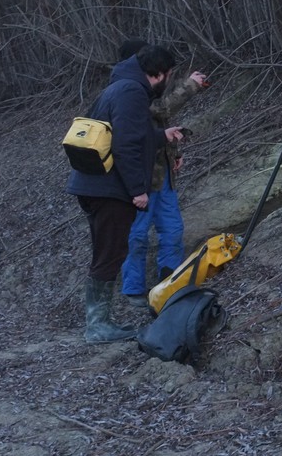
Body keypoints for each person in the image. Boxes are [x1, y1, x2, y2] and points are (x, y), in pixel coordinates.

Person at [66, 45, 184, 343]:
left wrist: (160, 136)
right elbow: (125, 146)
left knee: (107, 251)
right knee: (110, 253)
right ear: (159, 74)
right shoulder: (133, 92)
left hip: (93, 184)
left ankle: (99, 322)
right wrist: (138, 191)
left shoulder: (120, 86)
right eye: (170, 75)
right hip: (109, 189)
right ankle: (98, 326)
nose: (169, 80)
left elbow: (124, 135)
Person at [115, 39, 210, 306]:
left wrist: (174, 154)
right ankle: (133, 289)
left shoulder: (146, 88)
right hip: (141, 177)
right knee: (137, 234)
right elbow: (161, 110)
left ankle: (171, 284)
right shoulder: (127, 90)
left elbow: (160, 124)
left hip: (163, 173)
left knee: (173, 230)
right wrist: (190, 86)